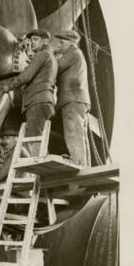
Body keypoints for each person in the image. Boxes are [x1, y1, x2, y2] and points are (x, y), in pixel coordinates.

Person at [1, 29, 58, 154]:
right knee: (39, 137)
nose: (32, 43)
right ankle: (41, 159)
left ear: (45, 41)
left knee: (33, 139)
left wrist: (9, 86)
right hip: (45, 101)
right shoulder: (52, 58)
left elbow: (26, 76)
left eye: (35, 39)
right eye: (31, 40)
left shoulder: (42, 54)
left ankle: (35, 165)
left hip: (37, 101)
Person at [54, 30, 91, 166]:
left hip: (72, 99)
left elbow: (54, 68)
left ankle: (77, 161)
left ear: (70, 43)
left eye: (61, 42)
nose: (58, 44)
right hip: (79, 99)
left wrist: (46, 56)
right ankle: (83, 162)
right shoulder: (77, 54)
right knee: (81, 133)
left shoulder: (72, 53)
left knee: (73, 131)